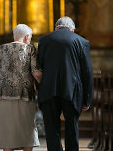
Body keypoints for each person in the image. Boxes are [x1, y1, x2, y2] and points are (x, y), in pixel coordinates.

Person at [37, 16, 93, 151]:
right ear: (72, 29)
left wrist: (39, 89)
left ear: (56, 28)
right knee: (72, 125)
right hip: (72, 89)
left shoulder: (44, 40)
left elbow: (39, 67)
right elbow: (87, 72)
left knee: (51, 127)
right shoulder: (81, 41)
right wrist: (87, 99)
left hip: (49, 89)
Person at [0, 24, 42, 151]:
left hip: (2, 96)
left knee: (7, 135)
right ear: (27, 36)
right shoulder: (29, 49)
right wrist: (44, 86)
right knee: (27, 132)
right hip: (24, 96)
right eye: (30, 37)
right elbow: (36, 73)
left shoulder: (1, 49)